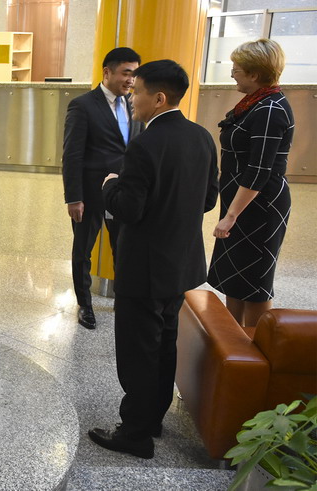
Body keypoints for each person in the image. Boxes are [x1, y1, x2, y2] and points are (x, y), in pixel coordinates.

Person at [89, 60, 219, 459]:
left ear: (159, 98)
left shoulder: (145, 144)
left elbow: (129, 208)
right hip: (180, 264)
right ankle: (153, 417)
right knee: (164, 343)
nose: (132, 98)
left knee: (137, 351)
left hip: (144, 267)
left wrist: (110, 185)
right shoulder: (200, 138)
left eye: (138, 92)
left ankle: (135, 434)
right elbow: (209, 199)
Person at [207, 39, 294, 327]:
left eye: (237, 69)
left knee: (255, 281)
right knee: (236, 277)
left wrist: (231, 216)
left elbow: (259, 170)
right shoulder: (256, 102)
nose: (232, 73)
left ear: (255, 74)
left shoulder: (270, 109)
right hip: (242, 202)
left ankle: (255, 349)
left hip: (259, 206)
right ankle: (231, 341)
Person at [62, 47, 142, 330]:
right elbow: (72, 154)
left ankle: (125, 299)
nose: (131, 80)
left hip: (124, 192)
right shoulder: (83, 105)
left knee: (124, 247)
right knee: (83, 249)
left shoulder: (135, 104)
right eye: (126, 73)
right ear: (107, 72)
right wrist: (74, 197)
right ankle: (85, 304)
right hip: (91, 192)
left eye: (134, 74)